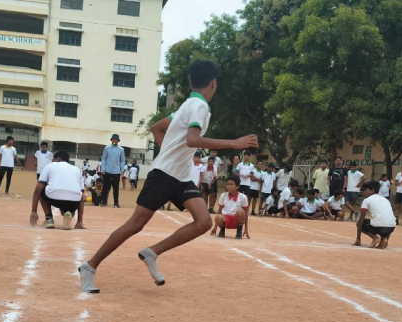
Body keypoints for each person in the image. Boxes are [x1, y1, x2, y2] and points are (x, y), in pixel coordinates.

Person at [76, 60, 257, 293]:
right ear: (213, 84)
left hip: (180, 176)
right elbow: (192, 140)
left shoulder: (187, 105)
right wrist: (234, 143)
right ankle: (89, 267)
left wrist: (169, 152)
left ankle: (151, 253)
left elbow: (156, 128)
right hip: (164, 174)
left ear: (190, 82)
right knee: (135, 225)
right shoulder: (199, 106)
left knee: (203, 221)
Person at [30, 151, 86, 230]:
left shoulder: (50, 166)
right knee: (77, 195)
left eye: (54, 159)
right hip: (73, 203)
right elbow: (82, 196)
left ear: (58, 159)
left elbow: (37, 190)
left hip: (54, 199)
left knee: (42, 189)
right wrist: (80, 221)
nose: (53, 161)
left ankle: (49, 218)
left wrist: (33, 211)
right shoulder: (77, 169)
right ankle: (68, 213)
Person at [353, 180, 396, 249]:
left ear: (372, 190)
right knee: (385, 222)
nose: (364, 192)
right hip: (391, 227)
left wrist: (358, 239)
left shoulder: (367, 200)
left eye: (365, 190)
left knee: (360, 222)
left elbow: (361, 220)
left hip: (379, 226)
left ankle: (375, 238)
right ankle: (384, 239)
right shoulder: (385, 199)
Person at [99, 133, 125, 208]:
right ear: (111, 140)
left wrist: (122, 170)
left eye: (116, 140)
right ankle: (103, 202)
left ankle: (116, 203)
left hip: (116, 171)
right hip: (107, 170)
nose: (114, 141)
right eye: (113, 139)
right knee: (105, 188)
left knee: (116, 188)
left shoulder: (121, 150)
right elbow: (104, 159)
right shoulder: (107, 148)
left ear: (118, 141)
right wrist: (103, 168)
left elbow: (122, 161)